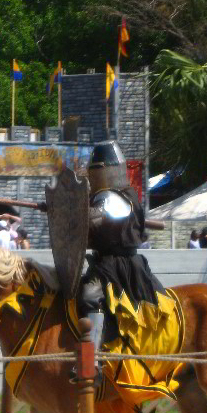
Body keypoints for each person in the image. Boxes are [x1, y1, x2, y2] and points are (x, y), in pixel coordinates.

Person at [73, 140, 166, 382]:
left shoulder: (110, 198)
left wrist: (68, 210)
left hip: (116, 267)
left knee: (90, 295)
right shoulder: (125, 196)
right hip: (110, 262)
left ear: (101, 171)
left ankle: (90, 362)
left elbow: (92, 220)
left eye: (93, 171)